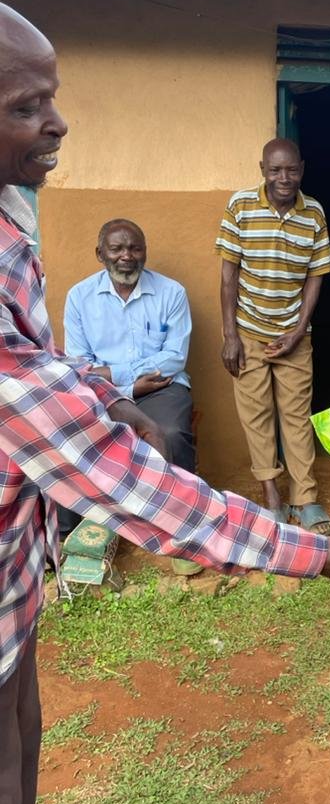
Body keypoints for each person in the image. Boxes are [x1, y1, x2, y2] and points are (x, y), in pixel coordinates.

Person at [0, 2, 330, 804]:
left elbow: (46, 361)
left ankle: (297, 498)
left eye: (53, 97)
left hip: (16, 598)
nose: (59, 121)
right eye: (27, 105)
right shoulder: (226, 218)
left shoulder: (13, 224)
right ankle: (290, 513)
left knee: (20, 765)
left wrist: (105, 395)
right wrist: (319, 556)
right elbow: (126, 480)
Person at [62, 220, 197, 567]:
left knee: (170, 433)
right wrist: (128, 385)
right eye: (117, 249)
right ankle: (73, 536)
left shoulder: (171, 293)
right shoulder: (79, 297)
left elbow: (174, 358)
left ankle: (182, 528)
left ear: (145, 252)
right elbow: (80, 366)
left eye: (135, 248)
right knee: (72, 434)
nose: (127, 256)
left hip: (162, 387)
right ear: (100, 254)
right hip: (102, 392)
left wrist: (115, 374)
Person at [216, 138, 330, 534]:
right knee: (257, 416)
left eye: (291, 170)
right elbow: (228, 275)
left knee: (297, 416)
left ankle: (306, 499)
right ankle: (272, 497)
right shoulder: (241, 206)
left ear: (302, 168)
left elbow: (316, 276)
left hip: (294, 335)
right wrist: (230, 336)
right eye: (275, 170)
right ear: (262, 170)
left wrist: (299, 331)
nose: (284, 178)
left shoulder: (313, 212)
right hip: (248, 331)